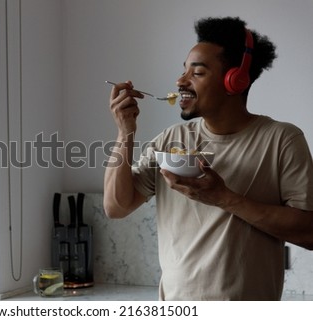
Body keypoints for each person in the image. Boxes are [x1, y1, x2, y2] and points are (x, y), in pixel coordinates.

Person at [104, 16, 313, 300]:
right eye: (184, 71)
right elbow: (116, 207)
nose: (181, 81)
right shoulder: (169, 141)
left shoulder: (282, 140)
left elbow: (309, 233)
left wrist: (224, 197)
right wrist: (124, 132)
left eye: (198, 72)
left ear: (235, 80)